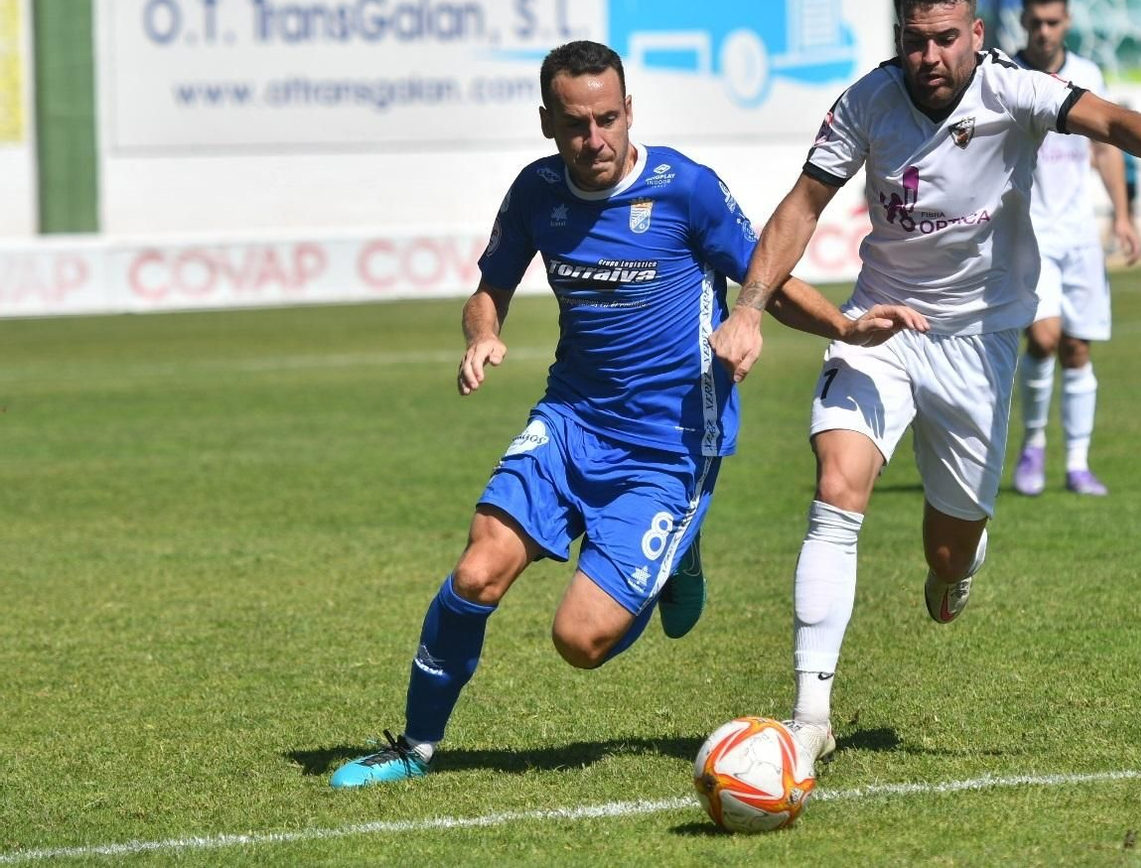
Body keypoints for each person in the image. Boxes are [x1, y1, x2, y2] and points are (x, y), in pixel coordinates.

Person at [709, 0, 1141, 768]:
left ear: (975, 34)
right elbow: (803, 206)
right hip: (878, 328)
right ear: (898, 40)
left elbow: (1119, 125)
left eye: (946, 39)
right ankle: (810, 716)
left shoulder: (1013, 89)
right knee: (837, 487)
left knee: (948, 558)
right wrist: (750, 309)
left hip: (979, 345)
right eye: (915, 42)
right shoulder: (866, 103)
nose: (930, 57)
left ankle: (955, 571)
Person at [327, 40, 924, 787]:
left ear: (629, 109)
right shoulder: (537, 192)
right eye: (576, 124)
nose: (595, 139)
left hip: (667, 444)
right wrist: (484, 335)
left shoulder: (684, 190)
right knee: (477, 571)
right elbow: (492, 287)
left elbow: (764, 273)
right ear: (548, 122)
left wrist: (838, 326)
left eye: (608, 118)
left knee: (579, 641)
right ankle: (413, 748)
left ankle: (677, 551)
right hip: (571, 419)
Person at [1008, 0, 1141, 498]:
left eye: (1053, 22)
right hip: (1029, 233)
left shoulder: (1087, 75)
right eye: (1035, 22)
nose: (1043, 31)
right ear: (1023, 21)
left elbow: (1106, 149)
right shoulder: (1006, 72)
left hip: (1079, 234)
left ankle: (1079, 463)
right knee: (1042, 338)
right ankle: (1035, 445)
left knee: (1078, 348)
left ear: (1066, 22)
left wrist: (1123, 217)